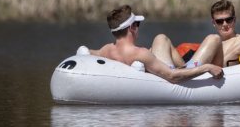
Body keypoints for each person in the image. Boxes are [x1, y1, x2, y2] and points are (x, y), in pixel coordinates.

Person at [89, 5, 223, 82]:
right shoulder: (141, 54)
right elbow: (172, 77)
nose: (138, 27)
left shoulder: (106, 50)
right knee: (215, 39)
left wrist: (85, 51)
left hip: (163, 67)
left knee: (161, 38)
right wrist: (207, 67)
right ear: (131, 28)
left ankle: (183, 63)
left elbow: (89, 52)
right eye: (137, 24)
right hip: (178, 77)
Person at [209, 0, 240, 66]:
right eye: (219, 21)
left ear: (234, 20)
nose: (225, 24)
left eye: (228, 20)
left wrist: (209, 67)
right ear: (214, 23)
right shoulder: (211, 43)